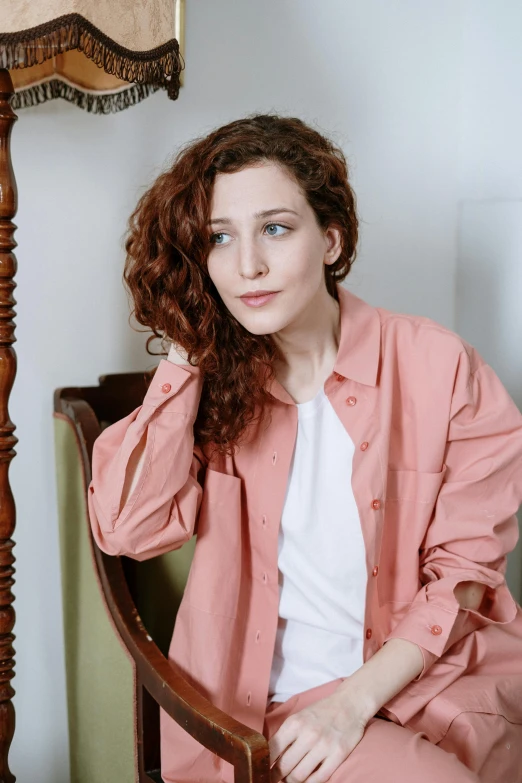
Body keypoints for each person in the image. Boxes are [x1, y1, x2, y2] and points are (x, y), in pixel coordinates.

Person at [87, 113, 522, 783]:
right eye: (219, 238)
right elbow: (127, 528)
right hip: (277, 718)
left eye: (276, 228)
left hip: (437, 684)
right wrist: (184, 346)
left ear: (331, 238)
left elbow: (464, 573)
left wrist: (352, 704)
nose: (248, 265)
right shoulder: (210, 388)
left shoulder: (441, 367)